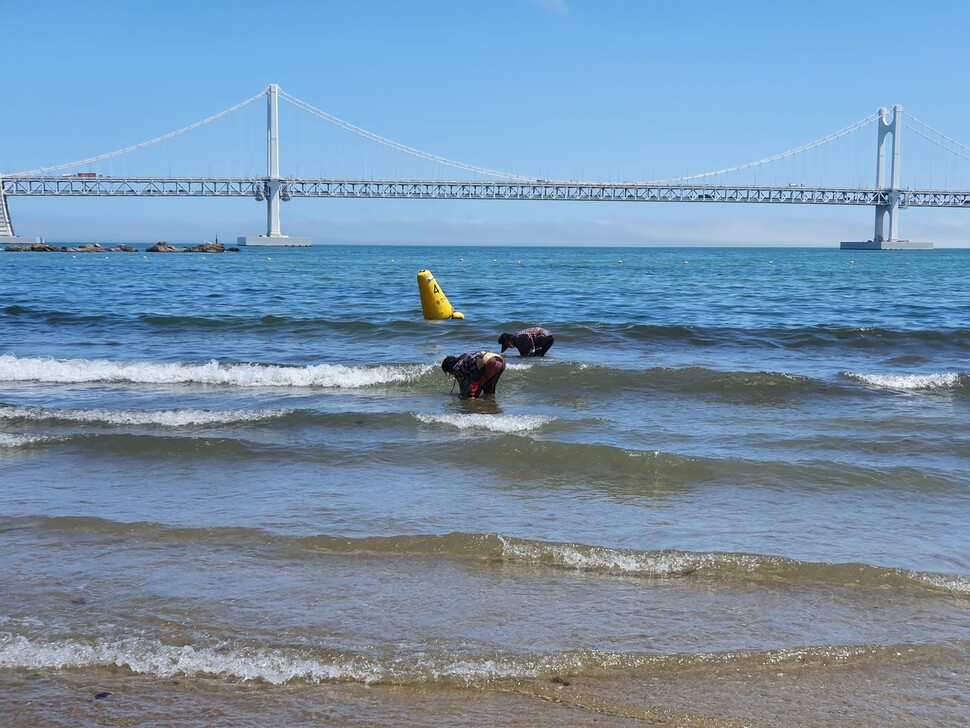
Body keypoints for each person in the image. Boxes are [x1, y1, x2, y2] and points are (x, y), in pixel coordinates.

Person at [441, 351, 506, 398]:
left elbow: (462, 384)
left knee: (474, 390)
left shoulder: (457, 367)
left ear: (449, 369)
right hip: (501, 360)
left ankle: (474, 409)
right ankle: (491, 408)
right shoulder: (464, 360)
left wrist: (462, 396)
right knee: (489, 390)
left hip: (491, 363)